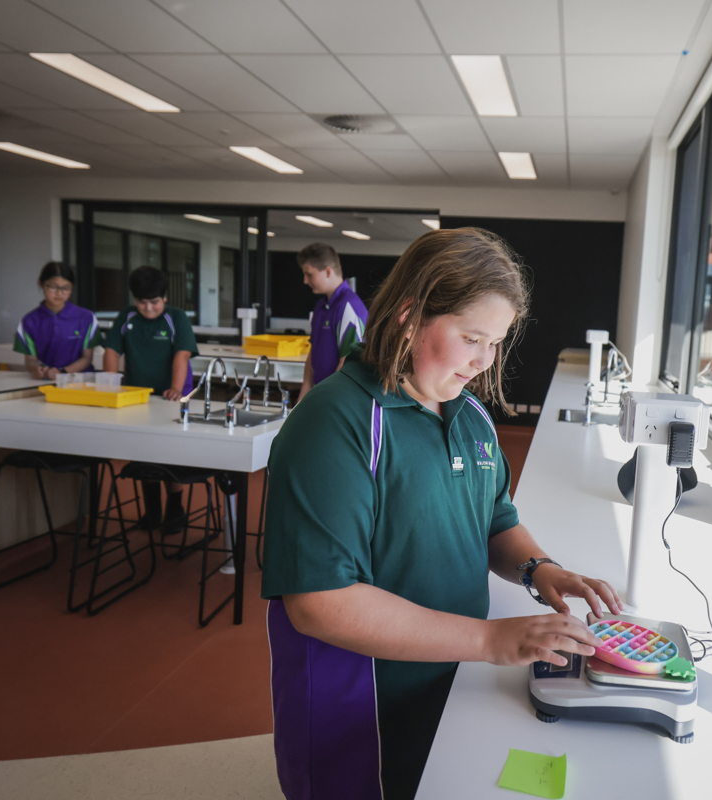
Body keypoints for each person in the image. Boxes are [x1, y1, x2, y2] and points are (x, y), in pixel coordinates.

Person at [262, 228, 622, 800]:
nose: (485, 362)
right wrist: (489, 641)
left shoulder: (470, 415)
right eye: (472, 338)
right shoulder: (334, 425)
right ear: (409, 315)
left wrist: (538, 568)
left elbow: (495, 518)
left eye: (497, 342)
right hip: (362, 708)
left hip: (449, 679)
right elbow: (320, 604)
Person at [102, 266, 199, 534]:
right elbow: (111, 350)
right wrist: (111, 385)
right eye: (142, 302)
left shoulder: (176, 317)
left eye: (154, 302)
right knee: (144, 451)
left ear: (164, 297)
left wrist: (175, 388)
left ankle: (175, 506)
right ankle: (152, 509)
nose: (148, 308)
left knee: (171, 451)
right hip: (138, 396)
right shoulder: (127, 316)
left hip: (172, 396)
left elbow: (182, 354)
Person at [297, 242, 369, 400]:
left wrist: (326, 399)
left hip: (339, 397)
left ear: (327, 271)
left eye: (309, 274)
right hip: (323, 394)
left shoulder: (349, 307)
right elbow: (313, 351)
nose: (305, 281)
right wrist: (305, 391)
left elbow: (349, 362)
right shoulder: (321, 306)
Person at [14, 262, 100, 379]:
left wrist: (62, 372)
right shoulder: (30, 321)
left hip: (81, 381)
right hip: (45, 381)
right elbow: (30, 359)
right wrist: (36, 368)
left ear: (72, 288)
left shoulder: (86, 317)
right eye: (53, 286)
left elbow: (87, 358)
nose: (59, 293)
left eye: (66, 288)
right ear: (41, 284)